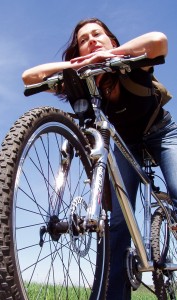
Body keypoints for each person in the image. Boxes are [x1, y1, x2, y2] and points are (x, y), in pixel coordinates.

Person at [22, 18, 177, 299]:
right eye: (83, 40)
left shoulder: (130, 61)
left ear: (112, 41)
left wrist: (112, 56)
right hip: (126, 143)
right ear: (79, 52)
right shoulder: (81, 82)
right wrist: (73, 67)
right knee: (118, 223)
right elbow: (29, 77)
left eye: (98, 35)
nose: (91, 40)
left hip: (161, 133)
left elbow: (159, 40)